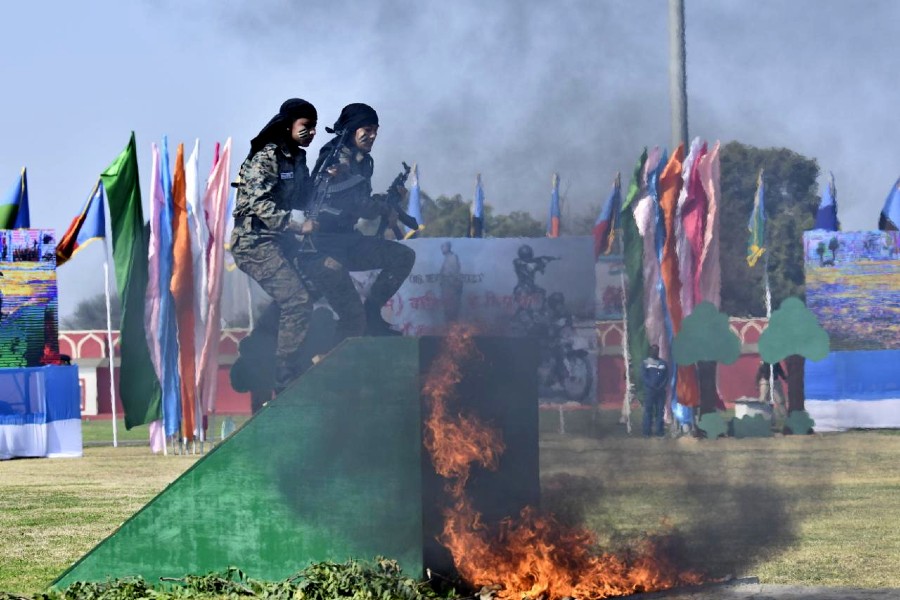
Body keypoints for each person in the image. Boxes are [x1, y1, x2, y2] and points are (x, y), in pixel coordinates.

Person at [303, 103, 415, 339]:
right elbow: (348, 201)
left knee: (402, 256)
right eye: (367, 129)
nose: (372, 135)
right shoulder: (332, 157)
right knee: (353, 320)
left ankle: (373, 313)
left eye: (376, 130)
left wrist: (389, 200)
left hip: (349, 241)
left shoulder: (365, 161)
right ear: (352, 128)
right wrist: (381, 208)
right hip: (323, 247)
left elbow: (361, 200)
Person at [230, 98, 319, 393]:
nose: (312, 133)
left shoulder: (298, 159)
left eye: (314, 127)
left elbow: (304, 198)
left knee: (316, 279)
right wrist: (297, 225)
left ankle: (261, 348)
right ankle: (284, 374)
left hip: (278, 240)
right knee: (297, 299)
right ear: (289, 125)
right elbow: (257, 203)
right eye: (306, 126)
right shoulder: (267, 156)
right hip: (253, 241)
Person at [641, 344, 669, 437]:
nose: (655, 352)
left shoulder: (663, 363)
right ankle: (647, 432)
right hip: (650, 392)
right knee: (648, 411)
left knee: (660, 411)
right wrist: (651, 385)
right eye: (653, 350)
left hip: (660, 392)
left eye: (657, 350)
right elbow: (644, 377)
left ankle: (659, 432)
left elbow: (666, 377)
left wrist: (661, 386)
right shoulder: (645, 363)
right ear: (650, 351)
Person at [439, 241, 463, 323]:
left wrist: (452, 283)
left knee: (452, 309)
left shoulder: (453, 257)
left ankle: (452, 326)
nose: (442, 249)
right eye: (441, 247)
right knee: (447, 309)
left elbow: (454, 273)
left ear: (448, 247)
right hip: (447, 287)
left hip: (451, 287)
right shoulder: (447, 258)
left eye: (443, 247)